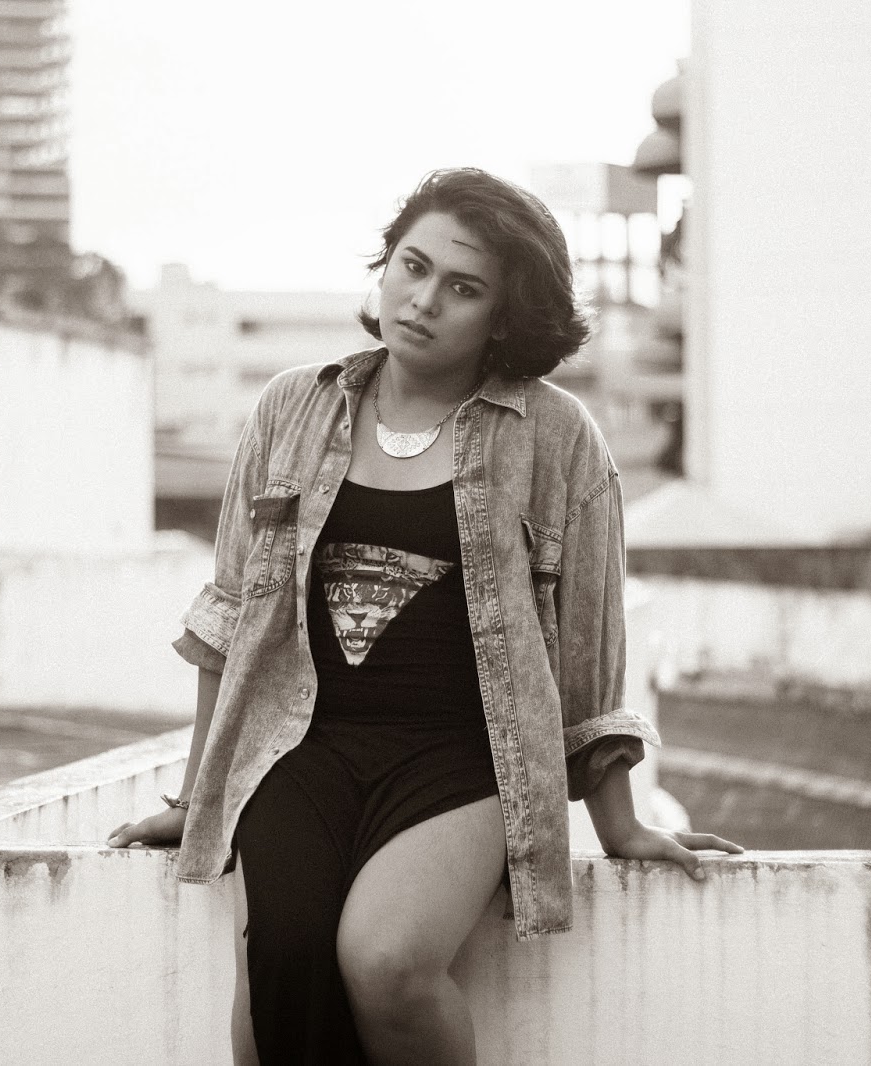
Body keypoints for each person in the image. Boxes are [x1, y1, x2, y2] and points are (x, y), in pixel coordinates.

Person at [108, 168, 742, 1065]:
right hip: (298, 747)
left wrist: (621, 824)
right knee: (283, 965)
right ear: (386, 266)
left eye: (463, 287)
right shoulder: (292, 407)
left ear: (504, 317)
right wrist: (199, 799)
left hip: (466, 760)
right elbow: (230, 621)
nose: (424, 300)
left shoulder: (556, 437)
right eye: (414, 266)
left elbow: (590, 650)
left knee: (388, 962)